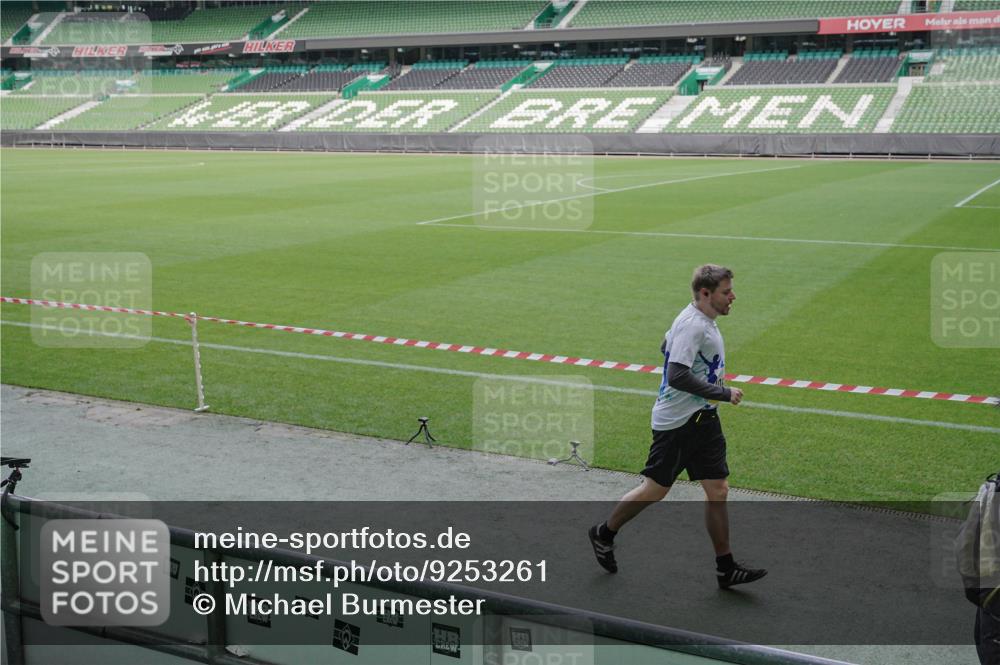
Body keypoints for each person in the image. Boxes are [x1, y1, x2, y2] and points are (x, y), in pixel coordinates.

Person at [588, 264, 767, 589]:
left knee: (718, 490)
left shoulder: (698, 320)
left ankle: (725, 568)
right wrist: (723, 393)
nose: (733, 297)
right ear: (705, 293)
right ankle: (604, 533)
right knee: (655, 490)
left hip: (704, 421)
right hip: (677, 424)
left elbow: (665, 346)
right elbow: (677, 375)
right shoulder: (693, 325)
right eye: (727, 292)